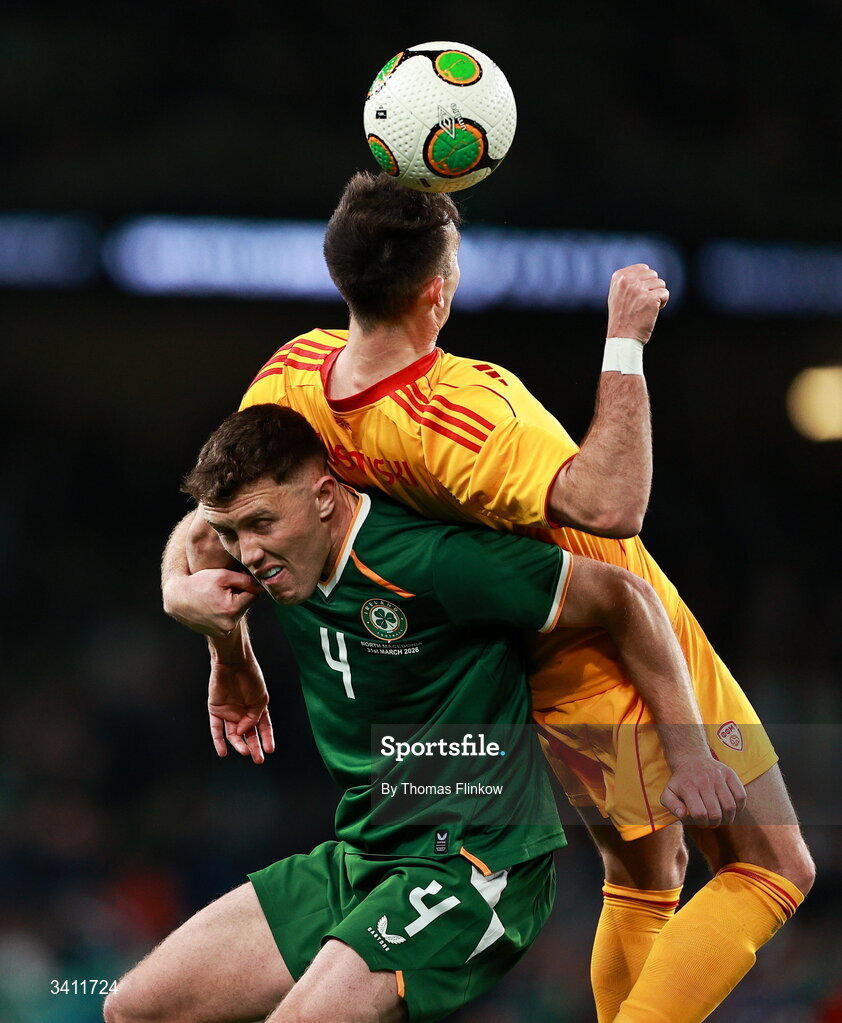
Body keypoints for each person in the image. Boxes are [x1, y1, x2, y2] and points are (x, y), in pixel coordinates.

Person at [161, 172, 814, 1023]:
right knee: (773, 867)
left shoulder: (293, 380)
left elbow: (212, 521)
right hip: (608, 645)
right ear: (439, 291)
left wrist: (188, 600)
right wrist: (625, 338)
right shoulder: (465, 410)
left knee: (648, 877)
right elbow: (613, 505)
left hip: (533, 662)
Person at [108, 404, 741, 1023]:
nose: (244, 554)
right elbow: (196, 536)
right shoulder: (278, 548)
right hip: (365, 853)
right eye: (230, 535)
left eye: (260, 525)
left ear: (325, 496)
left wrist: (689, 757)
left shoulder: (430, 561)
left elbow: (626, 597)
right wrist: (224, 648)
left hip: (478, 862)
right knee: (133, 1007)